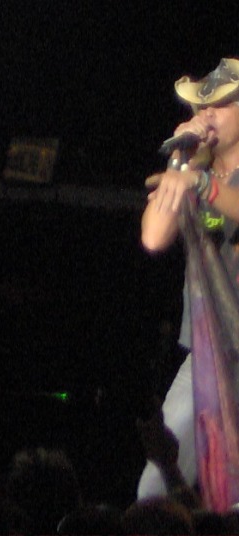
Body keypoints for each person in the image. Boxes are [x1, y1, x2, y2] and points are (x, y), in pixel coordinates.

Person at [138, 58, 239, 500]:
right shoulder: (192, 170)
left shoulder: (206, 182)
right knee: (153, 488)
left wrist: (202, 185)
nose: (207, 114)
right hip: (207, 350)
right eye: (203, 106)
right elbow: (153, 239)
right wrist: (181, 160)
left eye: (220, 104)